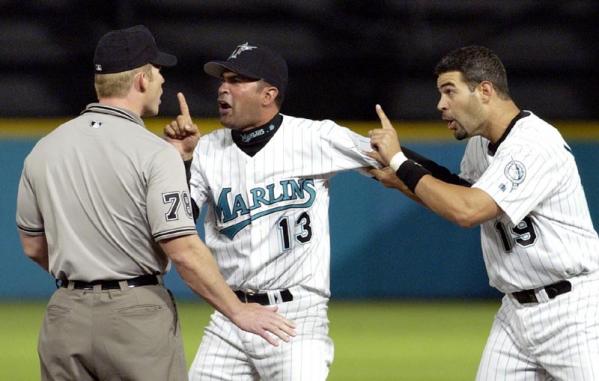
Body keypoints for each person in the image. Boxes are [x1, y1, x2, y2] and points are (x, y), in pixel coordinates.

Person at [16, 26, 294, 381]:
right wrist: (238, 311)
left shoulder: (44, 149)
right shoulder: (154, 153)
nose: (163, 79)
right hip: (134, 316)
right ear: (142, 80)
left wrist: (87, 277)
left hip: (64, 315)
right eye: (158, 70)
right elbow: (183, 251)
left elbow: (33, 246)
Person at [368, 45, 599, 380]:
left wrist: (400, 163)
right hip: (515, 314)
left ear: (485, 91)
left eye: (450, 91)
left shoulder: (533, 144)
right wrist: (401, 174)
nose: (440, 105)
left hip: (573, 310)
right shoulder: (481, 144)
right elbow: (459, 192)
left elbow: (468, 210)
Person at [164, 42, 380, 380]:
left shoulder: (315, 136)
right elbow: (179, 224)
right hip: (229, 315)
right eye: (223, 79)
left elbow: (392, 159)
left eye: (237, 80)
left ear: (268, 95)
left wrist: (459, 188)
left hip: (296, 316)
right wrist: (184, 161)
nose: (223, 86)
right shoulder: (205, 149)